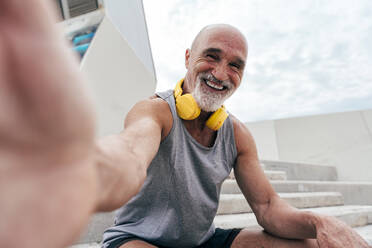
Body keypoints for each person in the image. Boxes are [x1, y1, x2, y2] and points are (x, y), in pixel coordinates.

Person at [0, 0, 369, 248]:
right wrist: (77, 170)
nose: (221, 73)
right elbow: (129, 154)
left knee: (307, 244)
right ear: (189, 58)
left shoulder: (237, 134)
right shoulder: (156, 111)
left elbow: (270, 207)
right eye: (212, 57)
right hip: (137, 239)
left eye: (235, 65)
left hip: (202, 240)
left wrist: (321, 222)